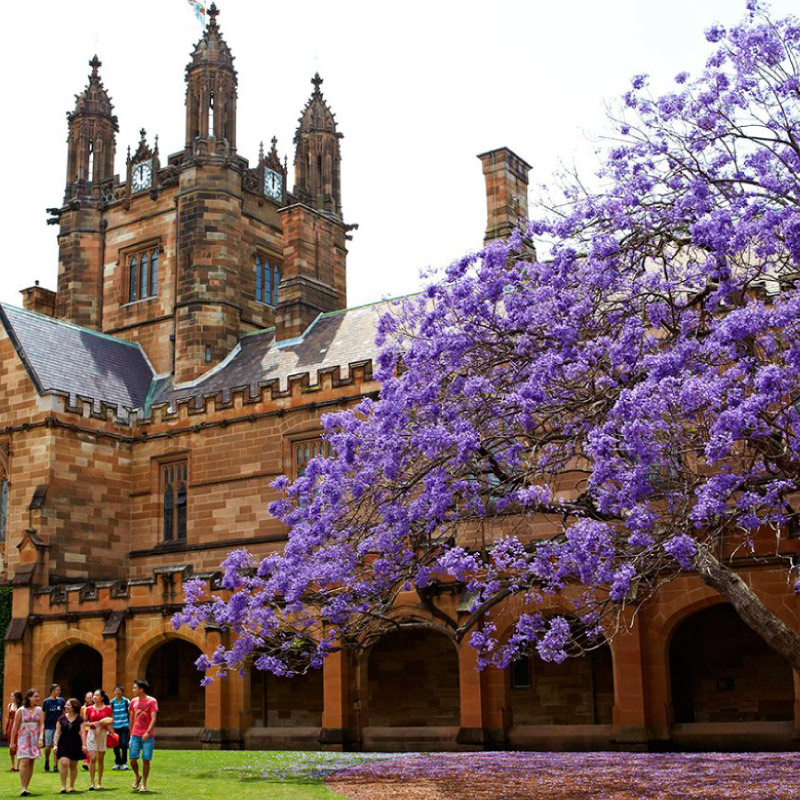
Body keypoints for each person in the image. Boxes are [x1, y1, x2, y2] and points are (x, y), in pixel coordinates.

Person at [10, 688, 43, 797]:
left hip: (34, 738)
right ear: (29, 697)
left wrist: (41, 738)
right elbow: (15, 727)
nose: (38, 698)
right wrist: (12, 742)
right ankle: (23, 788)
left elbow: (42, 725)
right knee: (24, 761)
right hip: (23, 739)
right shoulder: (21, 710)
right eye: (35, 696)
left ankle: (27, 786)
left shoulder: (39, 710)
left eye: (38, 696)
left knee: (31, 762)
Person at [129, 679, 158, 793]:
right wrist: (131, 733)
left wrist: (148, 732)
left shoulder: (152, 701)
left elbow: (154, 718)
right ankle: (137, 776)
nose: (133, 690)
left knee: (146, 760)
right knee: (132, 759)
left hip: (147, 736)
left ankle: (144, 784)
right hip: (135, 735)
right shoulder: (133, 701)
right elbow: (131, 718)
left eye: (135, 688)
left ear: (141, 689)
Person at [52, 698, 83, 794]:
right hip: (63, 744)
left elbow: (82, 732)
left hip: (75, 744)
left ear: (74, 707)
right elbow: (57, 732)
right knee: (64, 763)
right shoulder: (61, 719)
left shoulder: (79, 719)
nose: (66, 707)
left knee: (73, 766)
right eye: (66, 705)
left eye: (68, 705)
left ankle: (72, 786)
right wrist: (55, 744)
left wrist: (84, 744)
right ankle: (63, 786)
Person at [84, 689, 113, 790]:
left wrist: (103, 726)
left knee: (100, 760)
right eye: (94, 696)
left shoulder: (108, 709)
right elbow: (84, 723)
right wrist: (93, 724)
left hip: (103, 734)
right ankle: (92, 783)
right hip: (92, 734)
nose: (94, 697)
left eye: (97, 696)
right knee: (92, 758)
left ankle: (99, 783)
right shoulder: (89, 709)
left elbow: (110, 721)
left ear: (102, 698)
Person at [42, 683, 65, 772]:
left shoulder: (61, 701)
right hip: (49, 726)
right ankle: (47, 760)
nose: (59, 691)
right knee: (48, 746)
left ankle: (55, 765)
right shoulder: (46, 702)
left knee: (56, 745)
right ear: (52, 691)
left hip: (58, 727)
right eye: (57, 690)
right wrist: (43, 726)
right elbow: (43, 715)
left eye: (59, 690)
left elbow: (63, 713)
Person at [109, 685, 130, 770]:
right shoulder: (112, 702)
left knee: (124, 744)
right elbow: (110, 714)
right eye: (116, 690)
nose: (117, 692)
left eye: (119, 690)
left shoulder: (126, 701)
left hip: (124, 725)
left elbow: (130, 712)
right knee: (116, 745)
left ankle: (124, 762)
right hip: (115, 726)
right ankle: (118, 762)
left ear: (122, 692)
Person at [6, 691, 22, 772]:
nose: (11, 698)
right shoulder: (9, 705)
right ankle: (13, 764)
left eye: (13, 696)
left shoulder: (21, 707)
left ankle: (17, 764)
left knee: (18, 744)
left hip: (18, 726)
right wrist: (6, 728)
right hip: (10, 726)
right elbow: (8, 718)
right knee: (11, 744)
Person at [79, 692, 93, 771]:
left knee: (92, 747)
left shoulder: (95, 707)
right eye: (88, 698)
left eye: (91, 697)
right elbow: (81, 719)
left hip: (93, 729)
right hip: (86, 729)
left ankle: (89, 761)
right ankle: (86, 762)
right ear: (85, 699)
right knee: (86, 746)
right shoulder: (83, 708)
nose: (90, 699)